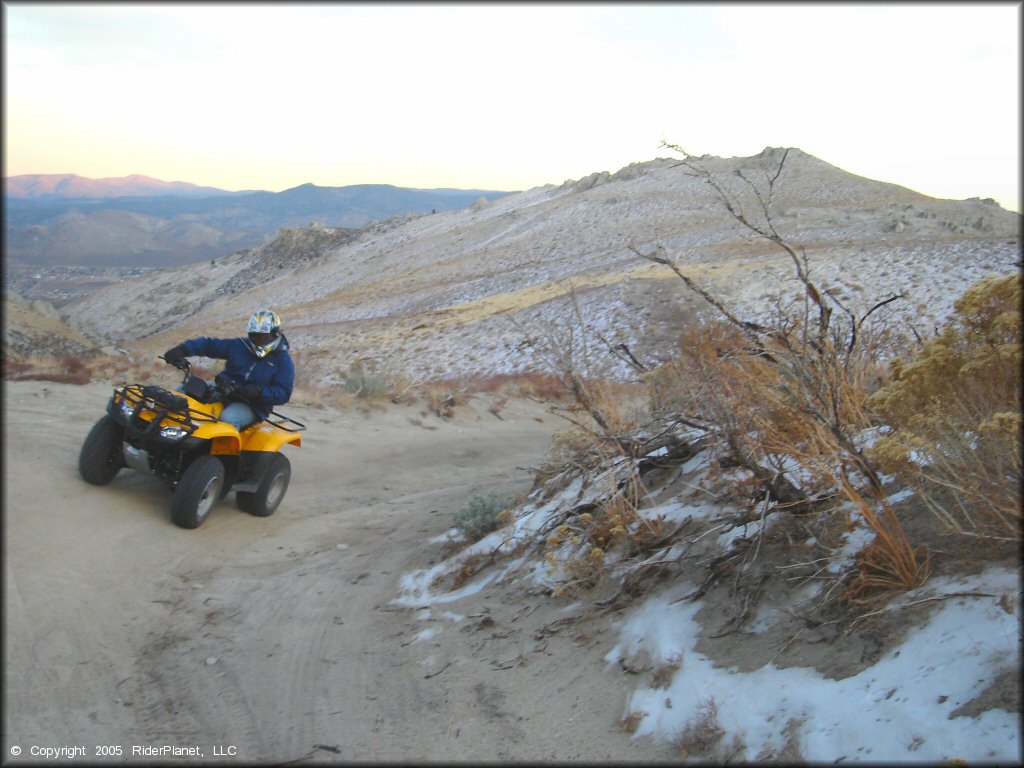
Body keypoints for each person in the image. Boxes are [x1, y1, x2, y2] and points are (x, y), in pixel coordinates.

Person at [164, 309, 294, 431]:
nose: (259, 341)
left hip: (252, 405)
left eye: (264, 337)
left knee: (228, 419)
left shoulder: (283, 361)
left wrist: (259, 392)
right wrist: (183, 349)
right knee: (181, 393)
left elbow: (284, 392)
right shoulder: (240, 346)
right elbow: (210, 345)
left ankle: (222, 454)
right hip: (222, 388)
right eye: (255, 336)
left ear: (276, 334)